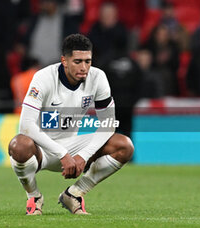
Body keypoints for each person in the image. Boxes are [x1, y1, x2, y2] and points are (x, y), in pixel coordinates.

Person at [8, 34, 134, 215]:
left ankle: (74, 194)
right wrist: (62, 154)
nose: (84, 67)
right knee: (19, 145)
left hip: (74, 146)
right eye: (77, 61)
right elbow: (26, 126)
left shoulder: (98, 77)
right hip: (42, 148)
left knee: (124, 146)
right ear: (64, 61)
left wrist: (83, 155)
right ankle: (34, 196)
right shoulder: (43, 78)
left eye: (88, 61)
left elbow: (107, 124)